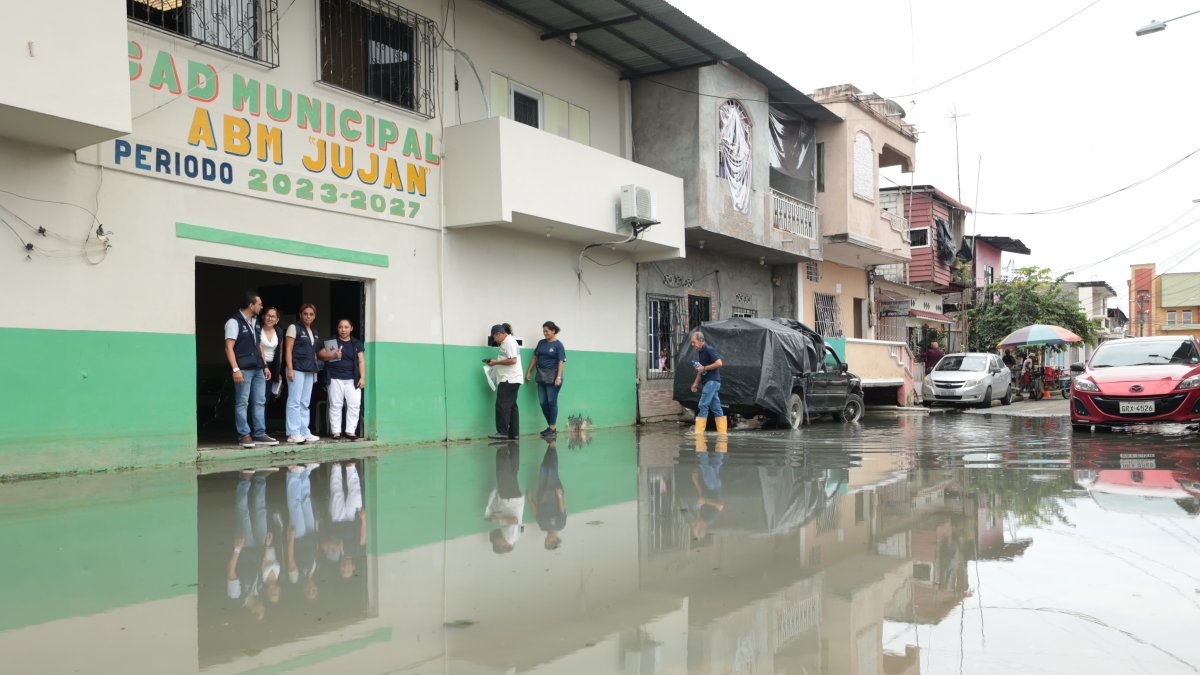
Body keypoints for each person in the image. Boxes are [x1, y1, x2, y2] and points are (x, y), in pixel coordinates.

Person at [224, 291, 276, 448]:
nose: (261, 307)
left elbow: (258, 345)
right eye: (259, 304)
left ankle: (259, 434)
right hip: (243, 369)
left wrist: (265, 365)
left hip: (258, 368)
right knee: (242, 402)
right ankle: (244, 435)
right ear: (251, 305)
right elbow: (228, 347)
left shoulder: (255, 322)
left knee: (260, 401)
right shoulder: (233, 322)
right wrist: (235, 369)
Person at [284, 304, 338, 444]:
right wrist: (290, 369)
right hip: (296, 368)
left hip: (309, 370)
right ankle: (292, 433)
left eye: (311, 314)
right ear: (300, 314)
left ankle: (304, 431)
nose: (308, 316)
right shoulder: (293, 327)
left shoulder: (314, 331)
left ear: (314, 316)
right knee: (294, 401)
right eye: (305, 314)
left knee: (305, 402)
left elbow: (315, 354)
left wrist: (333, 354)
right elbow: (288, 350)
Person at [322, 461, 366, 579]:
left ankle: (336, 468)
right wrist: (364, 520)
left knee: (336, 493)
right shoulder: (358, 553)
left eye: (343, 570)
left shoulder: (334, 556)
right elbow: (362, 537)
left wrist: (335, 545)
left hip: (337, 519)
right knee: (355, 494)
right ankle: (351, 468)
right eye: (348, 570)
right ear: (353, 568)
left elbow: (323, 545)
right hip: (353, 519)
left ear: (339, 568)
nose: (346, 568)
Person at [327, 319, 366, 441]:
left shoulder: (356, 343)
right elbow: (327, 357)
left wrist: (362, 377)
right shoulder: (332, 341)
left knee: (354, 405)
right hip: (335, 377)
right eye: (340, 327)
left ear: (351, 328)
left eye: (346, 327)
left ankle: (350, 431)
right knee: (335, 405)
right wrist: (334, 355)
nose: (343, 330)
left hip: (352, 379)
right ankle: (336, 432)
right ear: (337, 329)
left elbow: (361, 361)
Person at [525, 321, 566, 438]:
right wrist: (529, 371)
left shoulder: (558, 345)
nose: (545, 333)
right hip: (541, 376)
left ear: (553, 331)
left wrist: (558, 377)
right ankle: (551, 427)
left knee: (552, 402)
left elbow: (560, 361)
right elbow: (535, 357)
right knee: (543, 403)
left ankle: (552, 428)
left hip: (553, 377)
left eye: (547, 331)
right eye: (544, 331)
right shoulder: (541, 343)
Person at [486, 323, 522, 440]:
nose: (495, 340)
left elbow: (513, 360)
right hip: (512, 378)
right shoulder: (507, 342)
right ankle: (514, 433)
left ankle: (502, 432)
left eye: (495, 338)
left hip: (509, 379)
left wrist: (496, 362)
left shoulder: (509, 342)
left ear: (499, 334)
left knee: (502, 405)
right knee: (512, 406)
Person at [486, 445, 524, 554]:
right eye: (496, 543)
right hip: (510, 498)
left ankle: (513, 444)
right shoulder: (510, 538)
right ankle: (503, 444)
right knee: (503, 470)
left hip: (513, 499)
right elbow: (514, 520)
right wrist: (497, 518)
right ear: (502, 546)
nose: (496, 540)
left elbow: (518, 524)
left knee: (511, 470)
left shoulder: (515, 538)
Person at [528, 440, 566, 550]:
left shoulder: (542, 526)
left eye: (546, 541)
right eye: (549, 541)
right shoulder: (560, 525)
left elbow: (536, 512)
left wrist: (530, 500)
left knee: (543, 468)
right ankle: (552, 446)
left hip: (542, 492)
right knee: (552, 470)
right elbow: (562, 510)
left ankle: (550, 446)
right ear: (554, 540)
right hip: (554, 493)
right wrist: (559, 496)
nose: (547, 539)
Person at [689, 331, 727, 435]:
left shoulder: (708, 349)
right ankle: (723, 434)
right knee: (716, 408)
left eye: (694, 342)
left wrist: (705, 367)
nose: (693, 345)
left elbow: (719, 363)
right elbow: (701, 370)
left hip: (712, 382)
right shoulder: (701, 352)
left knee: (703, 405)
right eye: (692, 343)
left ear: (701, 341)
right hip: (711, 383)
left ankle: (699, 433)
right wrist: (695, 383)